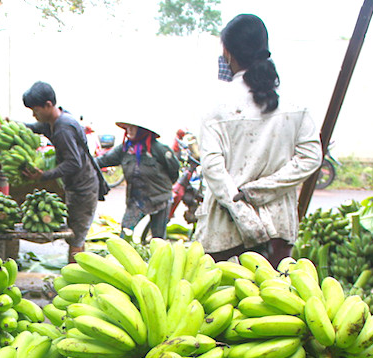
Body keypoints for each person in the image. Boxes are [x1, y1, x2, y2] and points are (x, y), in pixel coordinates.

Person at [196, 13, 321, 266]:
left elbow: (213, 169)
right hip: (276, 230)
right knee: (271, 299)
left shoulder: (217, 108)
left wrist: (242, 210)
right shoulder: (295, 107)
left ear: (228, 53)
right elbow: (311, 158)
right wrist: (260, 192)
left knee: (218, 302)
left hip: (224, 232)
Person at [22, 81, 107, 261]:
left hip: (83, 188)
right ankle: (76, 271)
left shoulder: (63, 128)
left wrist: (44, 176)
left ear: (48, 105)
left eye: (35, 110)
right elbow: (37, 127)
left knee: (76, 236)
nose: (34, 114)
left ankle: (73, 280)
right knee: (77, 233)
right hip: (78, 185)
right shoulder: (55, 120)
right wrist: (16, 125)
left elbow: (73, 163)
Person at [95, 118, 180, 241]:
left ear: (143, 130)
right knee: (125, 233)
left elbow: (174, 170)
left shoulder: (158, 149)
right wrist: (84, 163)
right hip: (136, 200)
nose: (129, 129)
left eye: (133, 127)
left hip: (159, 198)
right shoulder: (124, 149)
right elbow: (103, 161)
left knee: (158, 238)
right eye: (127, 127)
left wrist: (164, 186)